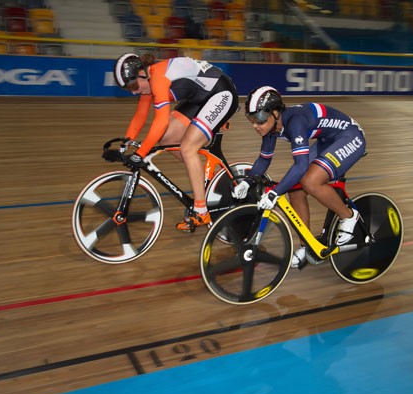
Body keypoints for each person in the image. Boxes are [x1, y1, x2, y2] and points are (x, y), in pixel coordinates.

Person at [233, 86, 365, 268]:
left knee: (310, 181)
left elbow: (301, 165)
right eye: (251, 119)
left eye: (260, 119)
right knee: (295, 190)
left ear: (276, 112)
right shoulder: (271, 129)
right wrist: (247, 182)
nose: (256, 125)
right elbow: (263, 161)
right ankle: (308, 245)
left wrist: (275, 193)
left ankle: (348, 216)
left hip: (349, 137)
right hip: (328, 141)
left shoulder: (295, 122)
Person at [113, 53, 239, 231]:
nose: (133, 91)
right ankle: (202, 175)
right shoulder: (148, 81)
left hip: (221, 94)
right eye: (128, 89)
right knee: (166, 138)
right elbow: (140, 116)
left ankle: (201, 211)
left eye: (133, 85)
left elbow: (161, 121)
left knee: (188, 148)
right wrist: (125, 142)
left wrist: (140, 153)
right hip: (200, 99)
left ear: (142, 73)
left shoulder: (158, 78)